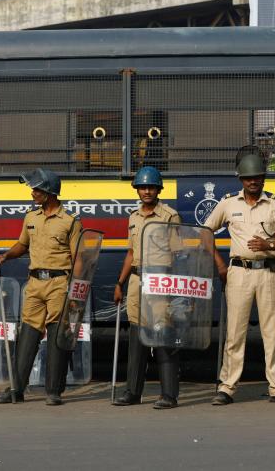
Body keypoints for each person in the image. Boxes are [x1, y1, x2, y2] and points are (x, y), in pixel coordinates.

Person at [205, 151, 275, 405]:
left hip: (269, 272)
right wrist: (220, 265)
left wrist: (270, 243)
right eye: (248, 178)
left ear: (264, 179)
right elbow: (205, 232)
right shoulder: (228, 204)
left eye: (257, 177)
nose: (253, 182)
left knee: (271, 332)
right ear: (241, 179)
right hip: (239, 273)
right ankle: (227, 387)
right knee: (235, 333)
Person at [0, 168, 82, 406]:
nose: (33, 193)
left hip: (59, 283)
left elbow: (79, 260)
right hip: (34, 284)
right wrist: (5, 256)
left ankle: (54, 391)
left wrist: (75, 292)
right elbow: (22, 245)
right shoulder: (30, 218)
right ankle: (16, 389)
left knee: (56, 336)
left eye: (37, 189)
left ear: (50, 191)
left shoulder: (70, 222)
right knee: (28, 335)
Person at [112, 166, 182, 409]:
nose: (147, 191)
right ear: (137, 190)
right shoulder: (133, 217)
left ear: (158, 189)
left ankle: (169, 394)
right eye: (142, 187)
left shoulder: (169, 216)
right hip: (135, 281)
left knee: (163, 336)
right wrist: (120, 283)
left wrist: (175, 289)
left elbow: (178, 253)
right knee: (136, 338)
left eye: (151, 187)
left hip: (160, 281)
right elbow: (131, 253)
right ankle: (133, 391)